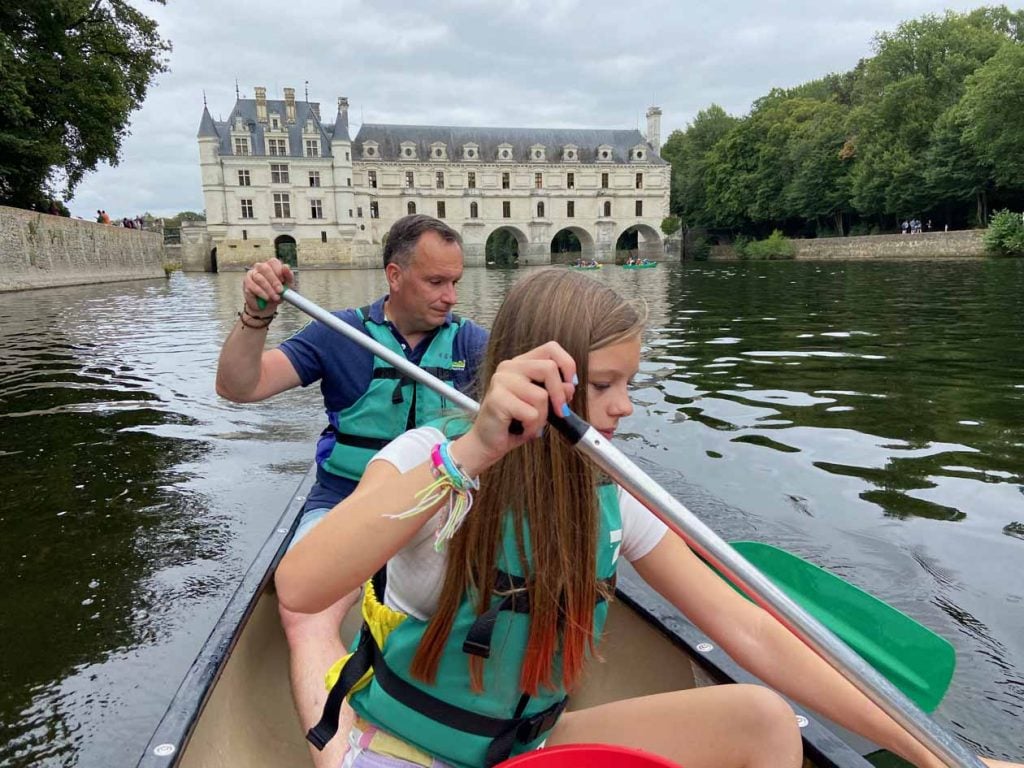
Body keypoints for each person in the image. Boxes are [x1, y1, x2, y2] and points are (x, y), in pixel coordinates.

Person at [276, 268, 1021, 768]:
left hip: (522, 746)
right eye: (606, 385)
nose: (627, 406)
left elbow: (751, 628)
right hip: (408, 750)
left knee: (761, 720)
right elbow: (303, 587)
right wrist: (475, 449)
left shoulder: (607, 492)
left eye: (630, 382)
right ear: (537, 375)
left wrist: (937, 753)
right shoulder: (431, 456)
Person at [216, 214, 489, 768]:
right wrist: (255, 316)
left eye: (456, 282)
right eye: (436, 282)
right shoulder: (337, 334)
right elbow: (238, 387)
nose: (450, 296)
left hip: (443, 507)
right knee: (304, 612)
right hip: (345, 502)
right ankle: (346, 756)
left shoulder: (476, 345)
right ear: (394, 275)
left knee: (492, 601)